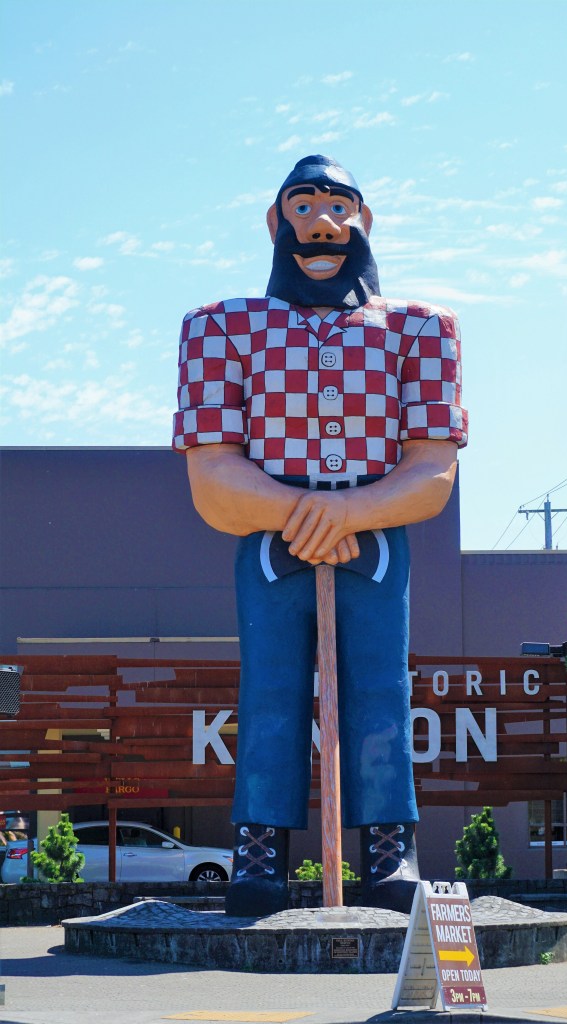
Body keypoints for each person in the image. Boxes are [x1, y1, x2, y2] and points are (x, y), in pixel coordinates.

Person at [172, 155, 468, 915]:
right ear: (275, 224)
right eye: (303, 207)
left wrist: (350, 511)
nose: (324, 225)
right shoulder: (219, 327)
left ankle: (389, 848)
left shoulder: (420, 329)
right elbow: (212, 476)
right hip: (269, 543)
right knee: (269, 693)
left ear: (366, 221)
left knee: (382, 691)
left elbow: (432, 469)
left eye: (340, 206)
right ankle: (259, 851)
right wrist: (308, 511)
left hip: (375, 542)